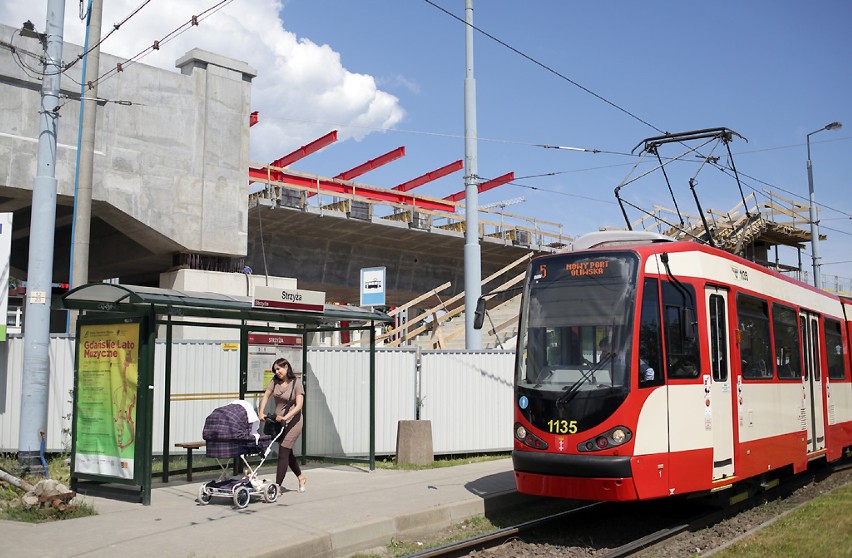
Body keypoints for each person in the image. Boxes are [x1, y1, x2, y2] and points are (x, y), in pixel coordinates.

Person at [259, 357, 307, 493]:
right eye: (275, 370)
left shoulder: (296, 383)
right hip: (278, 422)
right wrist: (261, 412)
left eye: (279, 369)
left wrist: (286, 417)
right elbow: (266, 396)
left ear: (286, 367)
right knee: (287, 453)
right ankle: (301, 477)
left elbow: (299, 405)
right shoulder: (274, 381)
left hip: (294, 422)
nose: (277, 372)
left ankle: (277, 486)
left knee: (283, 452)